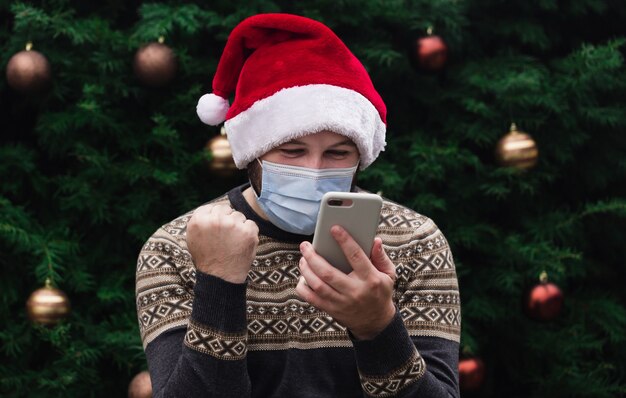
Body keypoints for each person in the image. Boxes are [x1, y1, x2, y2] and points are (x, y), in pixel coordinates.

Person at [135, 13, 461, 398]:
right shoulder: (177, 247)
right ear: (253, 152)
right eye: (292, 151)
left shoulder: (414, 242)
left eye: (338, 153)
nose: (315, 171)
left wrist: (378, 327)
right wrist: (219, 283)